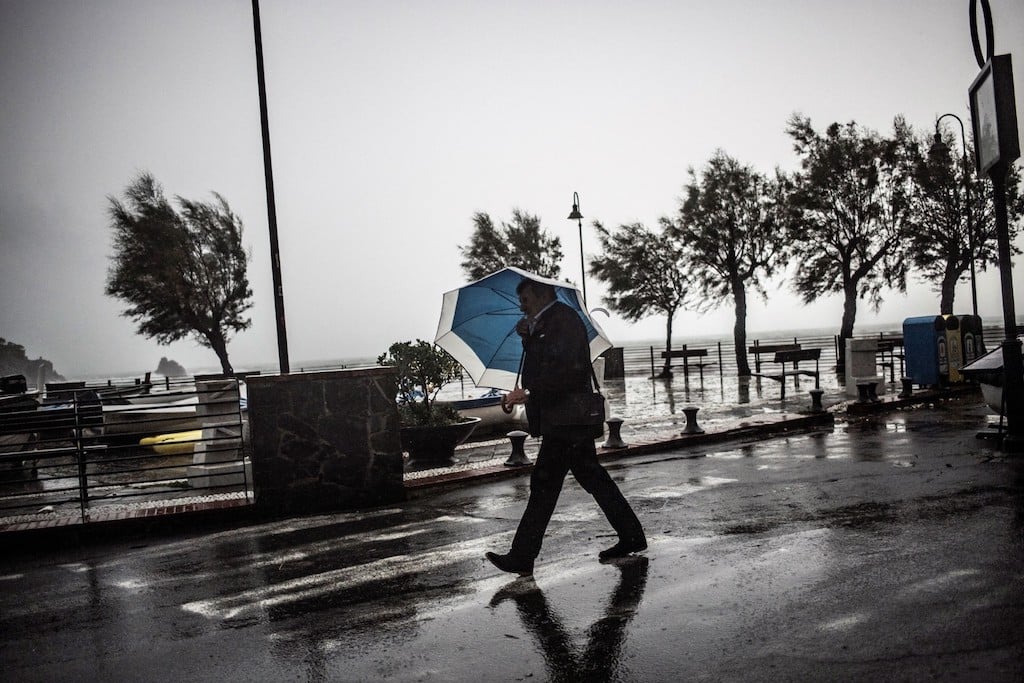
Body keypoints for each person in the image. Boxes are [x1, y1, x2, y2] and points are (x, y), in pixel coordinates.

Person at [485, 278, 646, 576]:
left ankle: (522, 556)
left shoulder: (565, 321)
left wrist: (529, 393)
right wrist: (528, 340)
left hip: (569, 421)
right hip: (563, 421)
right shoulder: (543, 324)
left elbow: (568, 373)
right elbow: (544, 365)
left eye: (527, 300)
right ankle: (632, 535)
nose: (522, 307)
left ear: (545, 294)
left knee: (545, 485)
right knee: (591, 478)